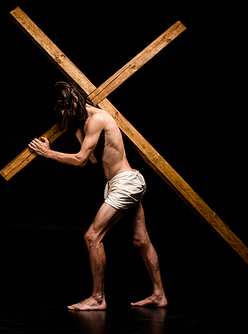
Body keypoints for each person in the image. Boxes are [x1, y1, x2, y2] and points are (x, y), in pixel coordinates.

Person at [28, 81, 167, 311]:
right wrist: (75, 129)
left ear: (74, 100)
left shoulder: (98, 118)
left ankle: (98, 298)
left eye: (64, 108)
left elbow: (81, 160)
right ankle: (159, 295)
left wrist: (48, 153)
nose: (63, 113)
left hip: (125, 184)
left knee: (92, 237)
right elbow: (91, 159)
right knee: (141, 240)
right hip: (120, 183)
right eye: (59, 110)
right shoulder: (86, 123)